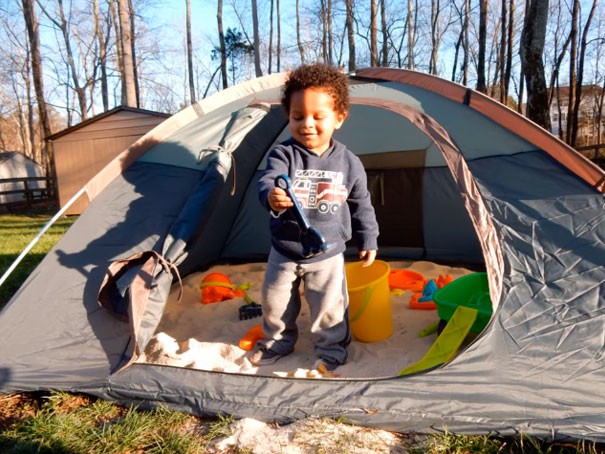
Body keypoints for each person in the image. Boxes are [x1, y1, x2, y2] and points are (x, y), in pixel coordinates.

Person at [252, 63, 379, 372]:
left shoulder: (349, 163)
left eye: (317, 116)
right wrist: (272, 196)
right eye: (298, 117)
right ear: (289, 117)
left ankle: (332, 349)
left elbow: (361, 203)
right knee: (275, 301)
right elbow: (268, 180)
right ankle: (278, 341)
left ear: (339, 117)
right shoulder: (283, 155)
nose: (307, 124)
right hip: (284, 249)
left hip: (329, 251)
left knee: (329, 305)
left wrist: (369, 238)